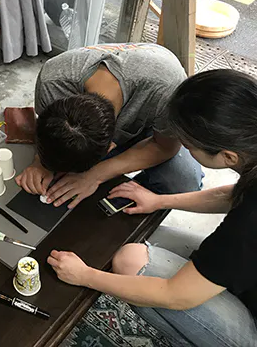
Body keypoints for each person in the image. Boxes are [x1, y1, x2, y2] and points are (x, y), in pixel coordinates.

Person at [47, 69, 257, 347]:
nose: (185, 149)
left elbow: (176, 295)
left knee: (130, 261)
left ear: (229, 157)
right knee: (152, 245)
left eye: (189, 145)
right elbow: (235, 194)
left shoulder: (247, 224)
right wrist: (159, 201)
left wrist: (85, 276)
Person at [16, 43, 202, 209]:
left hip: (153, 123)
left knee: (183, 183)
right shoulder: (52, 82)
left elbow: (165, 147)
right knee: (64, 177)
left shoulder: (168, 90)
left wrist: (96, 175)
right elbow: (46, 132)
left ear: (110, 147)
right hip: (100, 132)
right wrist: (40, 162)